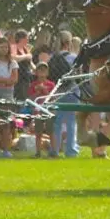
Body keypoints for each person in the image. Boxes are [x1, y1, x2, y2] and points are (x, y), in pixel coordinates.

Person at [48, 30, 79, 158]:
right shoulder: (73, 57)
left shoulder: (53, 58)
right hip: (72, 89)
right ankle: (71, 150)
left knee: (58, 121)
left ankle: (55, 149)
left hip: (57, 91)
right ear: (68, 42)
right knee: (71, 121)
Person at [28, 62, 56, 157]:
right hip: (38, 110)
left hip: (48, 110)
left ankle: (53, 152)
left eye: (44, 70)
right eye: (40, 70)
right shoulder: (33, 84)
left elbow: (53, 98)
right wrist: (37, 91)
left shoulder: (51, 84)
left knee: (51, 131)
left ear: (48, 72)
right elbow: (31, 99)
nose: (42, 72)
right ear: (36, 72)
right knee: (38, 132)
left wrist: (45, 90)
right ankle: (38, 152)